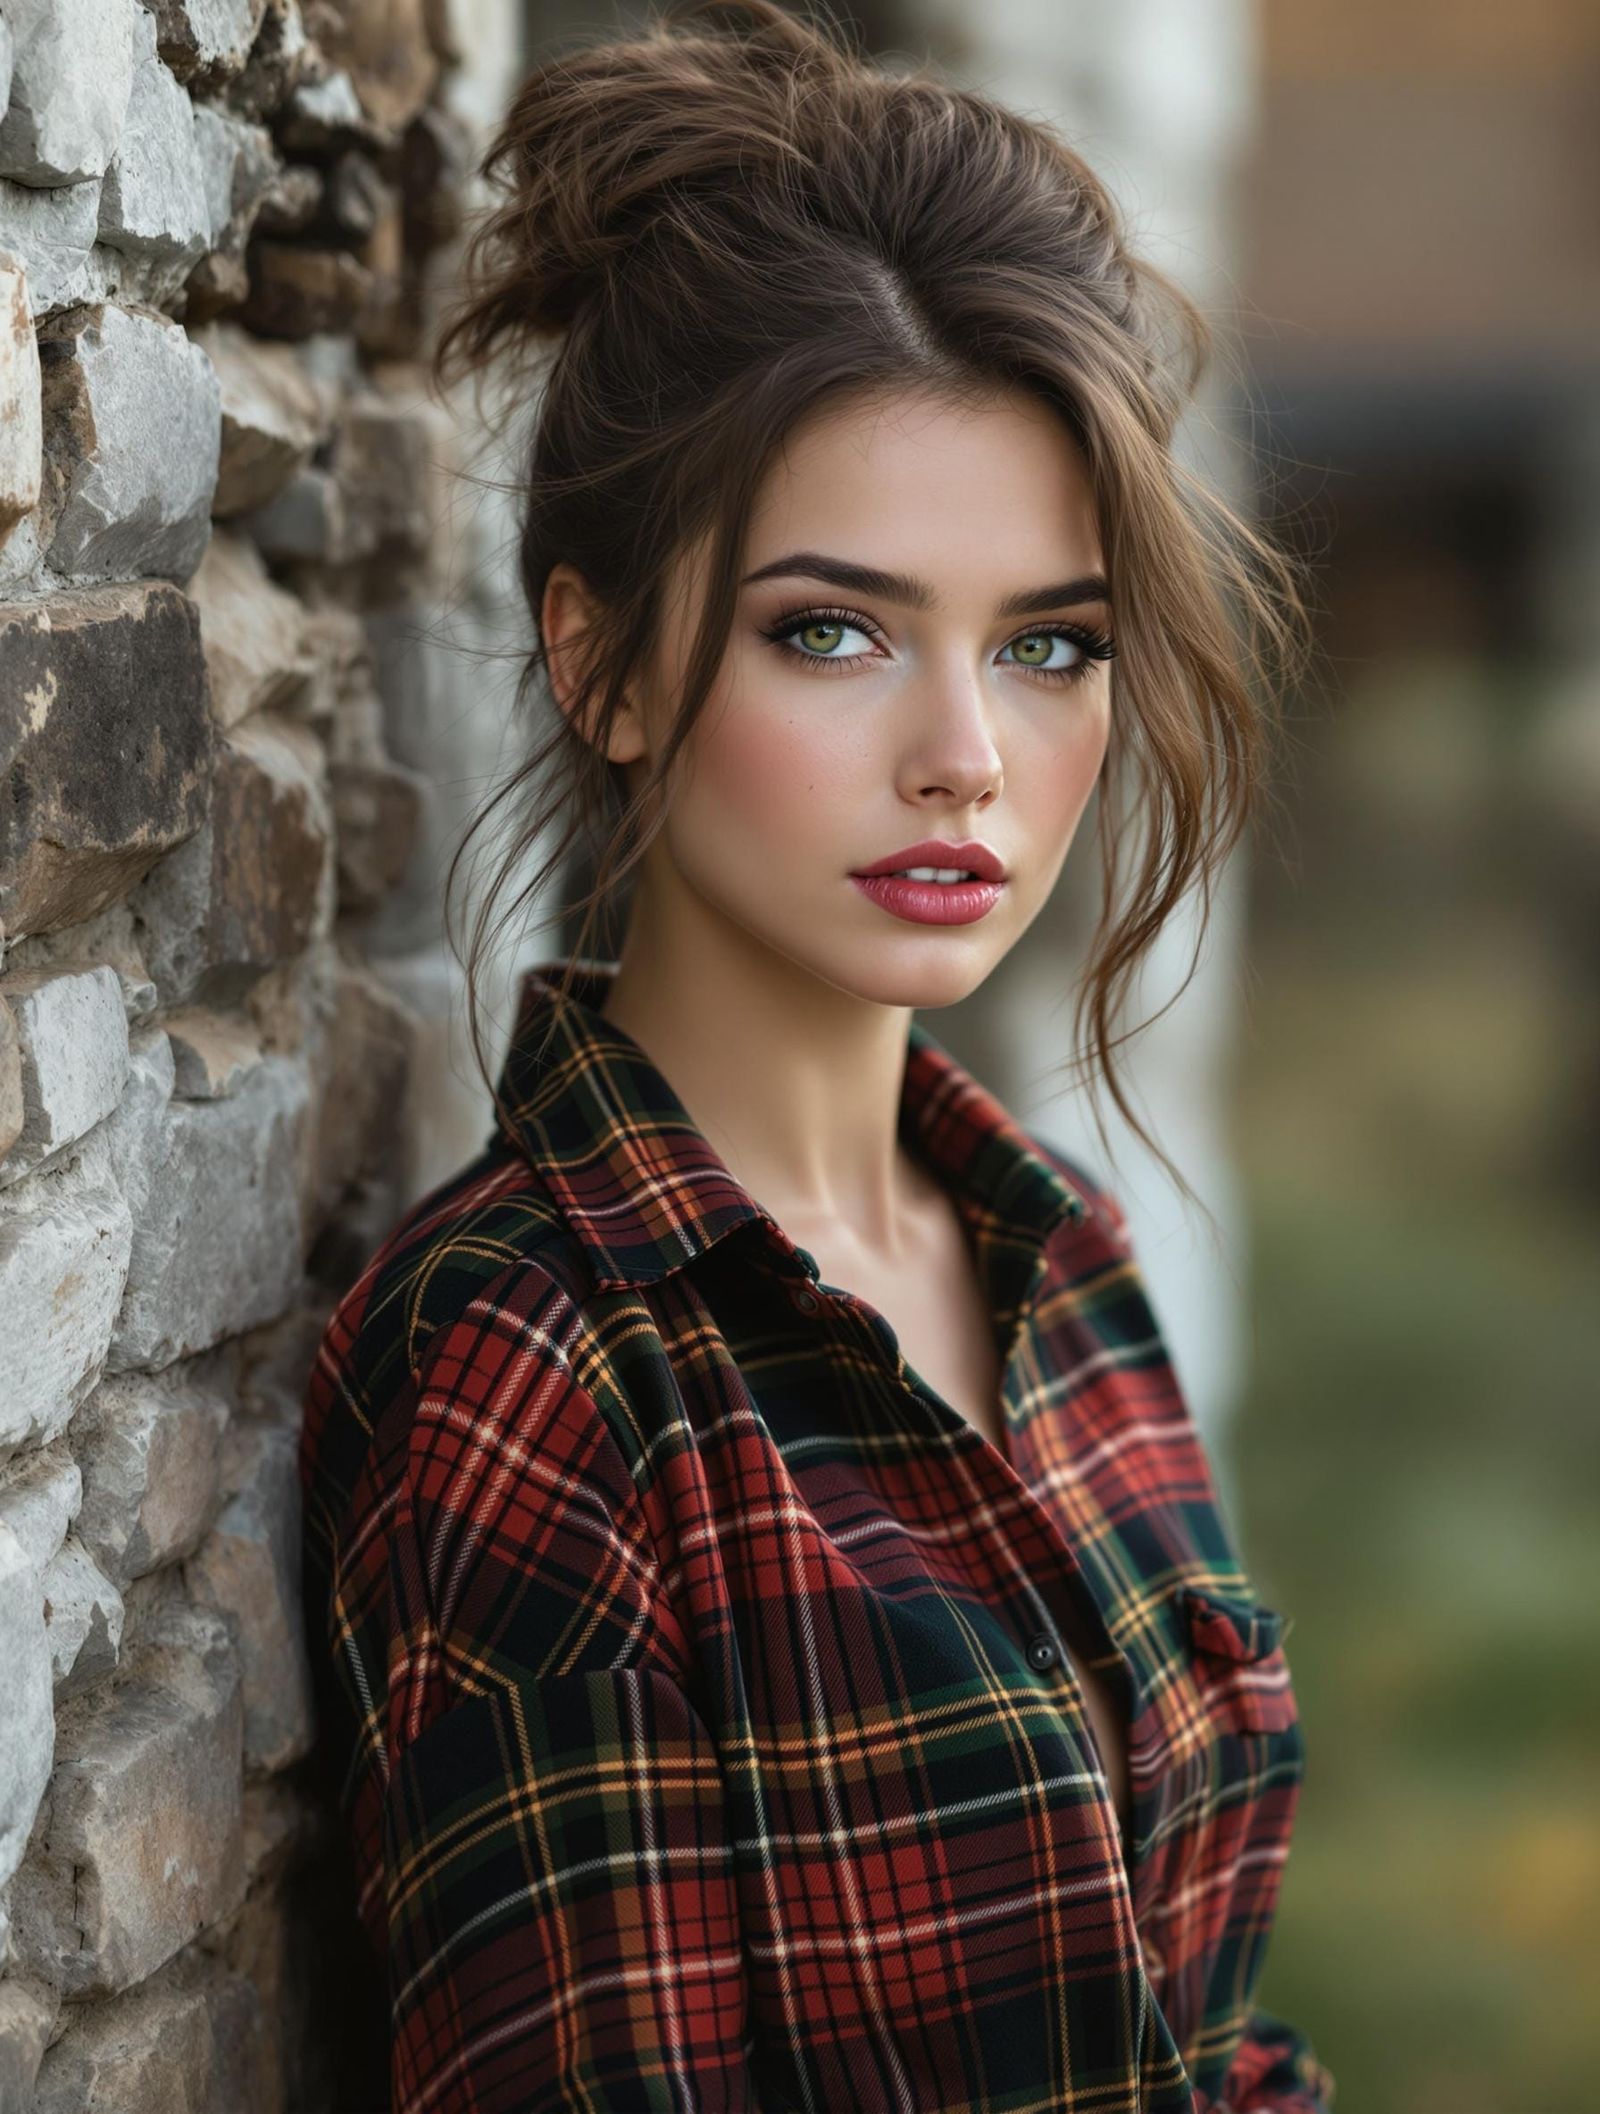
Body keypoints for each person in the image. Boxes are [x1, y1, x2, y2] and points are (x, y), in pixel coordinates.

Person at [297, 3, 1335, 2107]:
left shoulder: (1058, 1254)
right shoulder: (530, 1364)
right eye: (833, 630)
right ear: (598, 663)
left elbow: (1207, 2036)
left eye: (1047, 644)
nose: (966, 757)